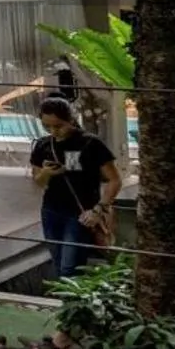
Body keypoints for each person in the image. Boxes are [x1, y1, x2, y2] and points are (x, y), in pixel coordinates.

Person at [30, 96, 121, 279]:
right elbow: (38, 181)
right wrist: (47, 173)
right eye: (47, 127)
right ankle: (68, 303)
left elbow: (114, 180)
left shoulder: (89, 143)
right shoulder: (43, 145)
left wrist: (99, 209)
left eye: (58, 126)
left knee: (69, 267)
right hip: (51, 210)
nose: (54, 132)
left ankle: (73, 304)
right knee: (58, 262)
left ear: (71, 119)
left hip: (81, 213)